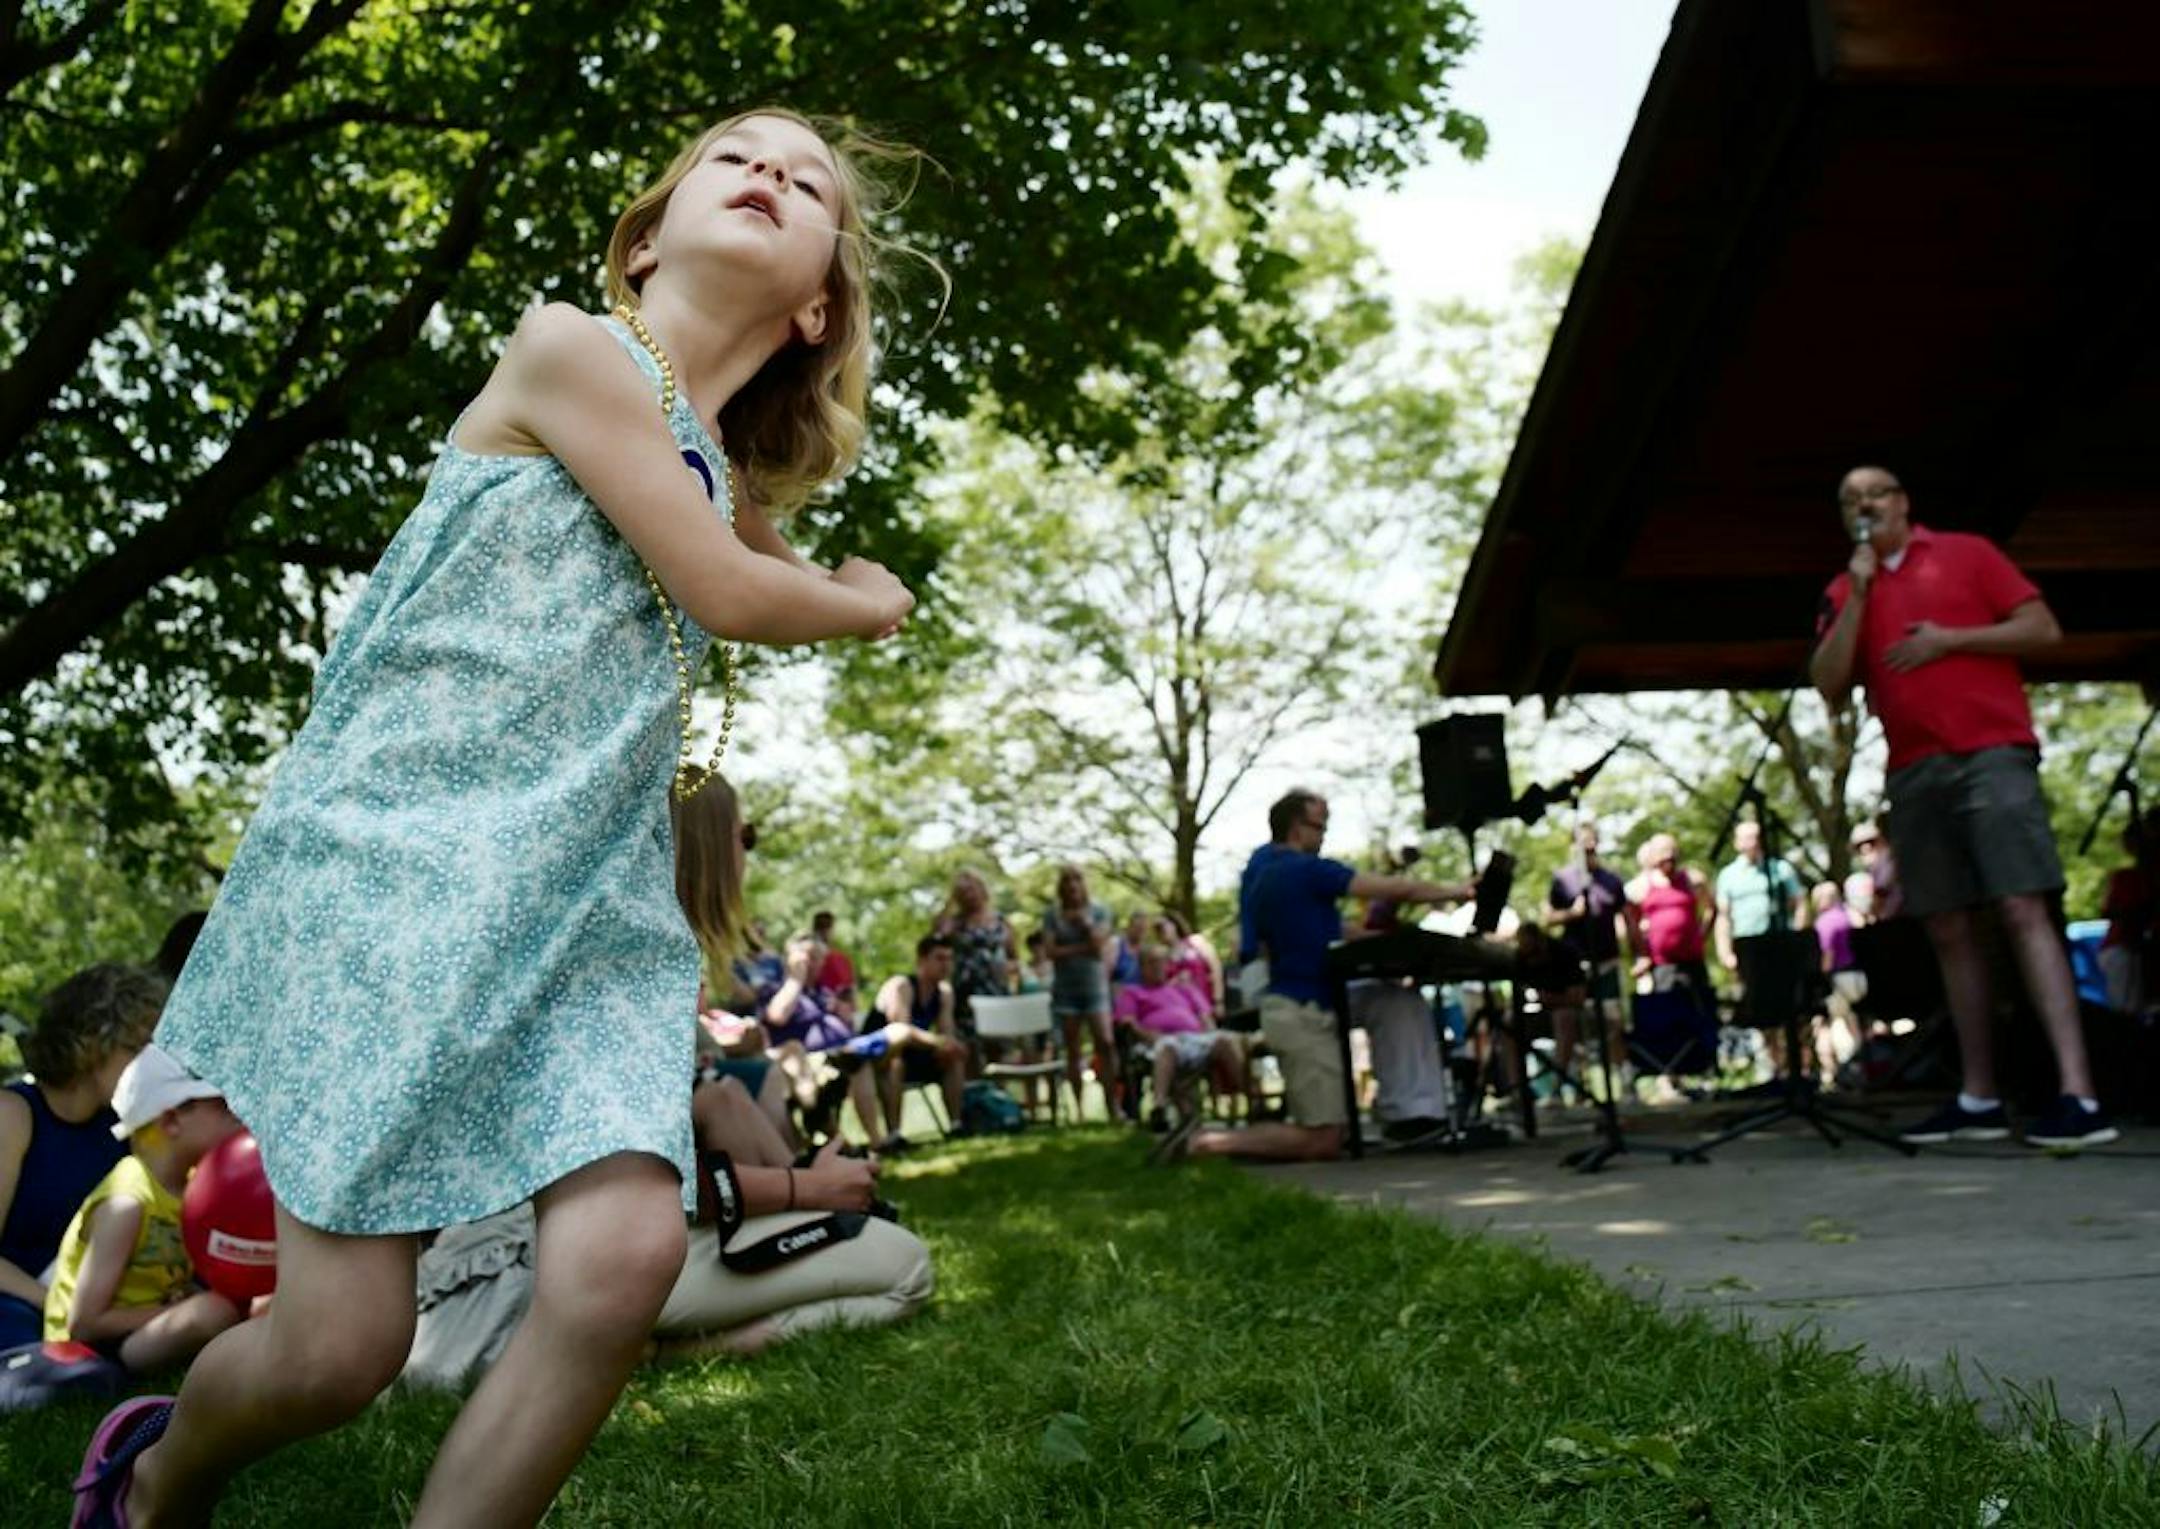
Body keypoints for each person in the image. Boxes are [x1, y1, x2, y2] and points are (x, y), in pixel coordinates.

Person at [74, 109, 923, 1528]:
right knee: (338, 1350)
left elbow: (747, 541)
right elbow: (733, 589)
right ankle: (159, 1477)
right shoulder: (571, 351)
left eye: (805, 181)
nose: (768, 175)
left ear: (818, 304)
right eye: (736, 157)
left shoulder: (719, 473)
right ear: (645, 243)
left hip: (585, 899)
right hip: (400, 863)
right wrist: (864, 596)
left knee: (624, 1259)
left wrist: (819, 566)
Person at [1812, 464, 2114, 1148]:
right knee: (1947, 926)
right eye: (1850, 500)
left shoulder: (1966, 554)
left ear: (1902, 502)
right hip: (1912, 770)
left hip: (1992, 753)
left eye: (1876, 493)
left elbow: (2042, 629)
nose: (1864, 505)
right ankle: (1978, 1097)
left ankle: (2079, 1093)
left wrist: (1949, 640)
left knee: (2021, 907)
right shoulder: (1845, 586)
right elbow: (1828, 680)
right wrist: (1859, 593)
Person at [403, 1074, 929, 1391]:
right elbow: (639, 1180)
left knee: (724, 1096)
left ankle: (654, 1341)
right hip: (539, 1269)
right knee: (908, 1267)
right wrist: (807, 1188)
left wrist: (806, 1184)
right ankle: (670, 1351)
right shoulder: (618, 958)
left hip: (529, 1252)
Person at [1185, 791, 1472, 1162]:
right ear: (1296, 828)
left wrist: (1387, 939)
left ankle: (1413, 1116)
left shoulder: (1263, 869)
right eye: (1319, 827)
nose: (1324, 836)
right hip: (1300, 1009)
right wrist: (1458, 890)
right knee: (1322, 1141)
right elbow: (1398, 890)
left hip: (1318, 997)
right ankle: (1206, 1142)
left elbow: (1330, 929)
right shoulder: (1305, 870)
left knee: (1393, 1000)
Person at [43, 1048, 249, 1373]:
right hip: (92, 1353)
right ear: (170, 1121)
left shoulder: (194, 1184)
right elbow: (84, 1324)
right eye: (222, 1106)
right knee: (214, 1313)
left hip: (144, 1325)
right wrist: (178, 1310)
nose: (238, 1114)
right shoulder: (126, 1203)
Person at [0, 965, 162, 1350]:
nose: (150, 1063)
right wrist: (56, 1305)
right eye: (136, 1048)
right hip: (19, 1301)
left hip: (91, 1307)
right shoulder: (15, 1113)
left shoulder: (128, 1127)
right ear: (91, 1045)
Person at [1112, 947, 1246, 1129]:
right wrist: (1148, 1036)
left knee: (1227, 1040)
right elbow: (1127, 1022)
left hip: (1196, 1039)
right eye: (1152, 963)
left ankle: (1252, 1098)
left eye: (1161, 962)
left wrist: (1210, 1032)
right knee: (1167, 1046)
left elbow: (1205, 1016)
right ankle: (1159, 1109)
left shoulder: (1184, 989)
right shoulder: (1133, 992)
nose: (1158, 967)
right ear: (1142, 968)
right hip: (1158, 1042)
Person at [1542, 822, 1631, 1094]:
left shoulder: (1612, 880)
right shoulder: (1562, 879)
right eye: (1583, 844)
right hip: (1572, 967)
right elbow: (1548, 918)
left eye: (1592, 844)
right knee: (1567, 1024)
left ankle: (1626, 1085)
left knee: (1613, 1022)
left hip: (1606, 961)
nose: (1588, 849)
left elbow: (1625, 918)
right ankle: (1562, 1088)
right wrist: (1571, 913)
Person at [866, 936, 970, 1149]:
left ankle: (956, 1125)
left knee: (953, 1057)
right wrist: (939, 1042)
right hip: (877, 1060)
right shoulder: (901, 986)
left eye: (949, 958)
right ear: (921, 961)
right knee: (896, 1063)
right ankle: (894, 1134)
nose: (946, 964)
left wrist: (949, 1046)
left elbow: (946, 1032)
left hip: (915, 1055)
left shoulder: (944, 992)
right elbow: (900, 1031)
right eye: (939, 958)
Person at [1040, 866, 1119, 1121]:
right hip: (1065, 991)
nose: (1072, 885)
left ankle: (1113, 1106)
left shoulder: (1099, 911)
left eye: (1077, 879)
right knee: (1072, 1049)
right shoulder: (1052, 915)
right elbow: (1050, 952)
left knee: (1105, 1043)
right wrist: (1085, 949)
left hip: (1095, 988)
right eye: (1067, 880)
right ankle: (1079, 1111)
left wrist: (1084, 925)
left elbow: (1098, 943)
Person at [932, 869, 1017, 1049]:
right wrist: (949, 902)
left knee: (998, 1048)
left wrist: (1009, 969)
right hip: (965, 996)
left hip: (997, 993)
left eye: (972, 889)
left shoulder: (1001, 921)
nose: (968, 895)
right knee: (969, 1048)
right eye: (962, 892)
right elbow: (938, 936)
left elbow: (1014, 957)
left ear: (982, 889)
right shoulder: (955, 922)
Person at [1713, 819, 1805, 975]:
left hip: (1780, 941)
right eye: (1747, 838)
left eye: (1756, 837)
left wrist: (1797, 938)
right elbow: (1723, 917)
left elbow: (1800, 904)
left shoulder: (1781, 869)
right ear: (1737, 843)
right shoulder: (1727, 875)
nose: (1752, 842)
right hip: (1746, 946)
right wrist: (1725, 953)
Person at [1811, 881, 1867, 1076]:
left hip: (1840, 979)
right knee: (1854, 1022)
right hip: (1860, 976)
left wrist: (1821, 980)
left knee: (1827, 1024)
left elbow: (1828, 955)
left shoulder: (1825, 922)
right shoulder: (1851, 916)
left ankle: (1834, 1072)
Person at [810, 910, 858, 1021]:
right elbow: (852, 997)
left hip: (829, 1015)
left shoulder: (841, 960)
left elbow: (850, 993)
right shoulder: (841, 960)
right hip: (828, 1015)